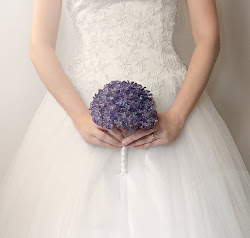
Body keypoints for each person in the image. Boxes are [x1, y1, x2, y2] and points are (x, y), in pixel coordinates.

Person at [0, 0, 249, 237]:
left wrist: (177, 117)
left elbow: (208, 38)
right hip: (83, 106)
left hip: (170, 102)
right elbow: (40, 45)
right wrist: (80, 117)